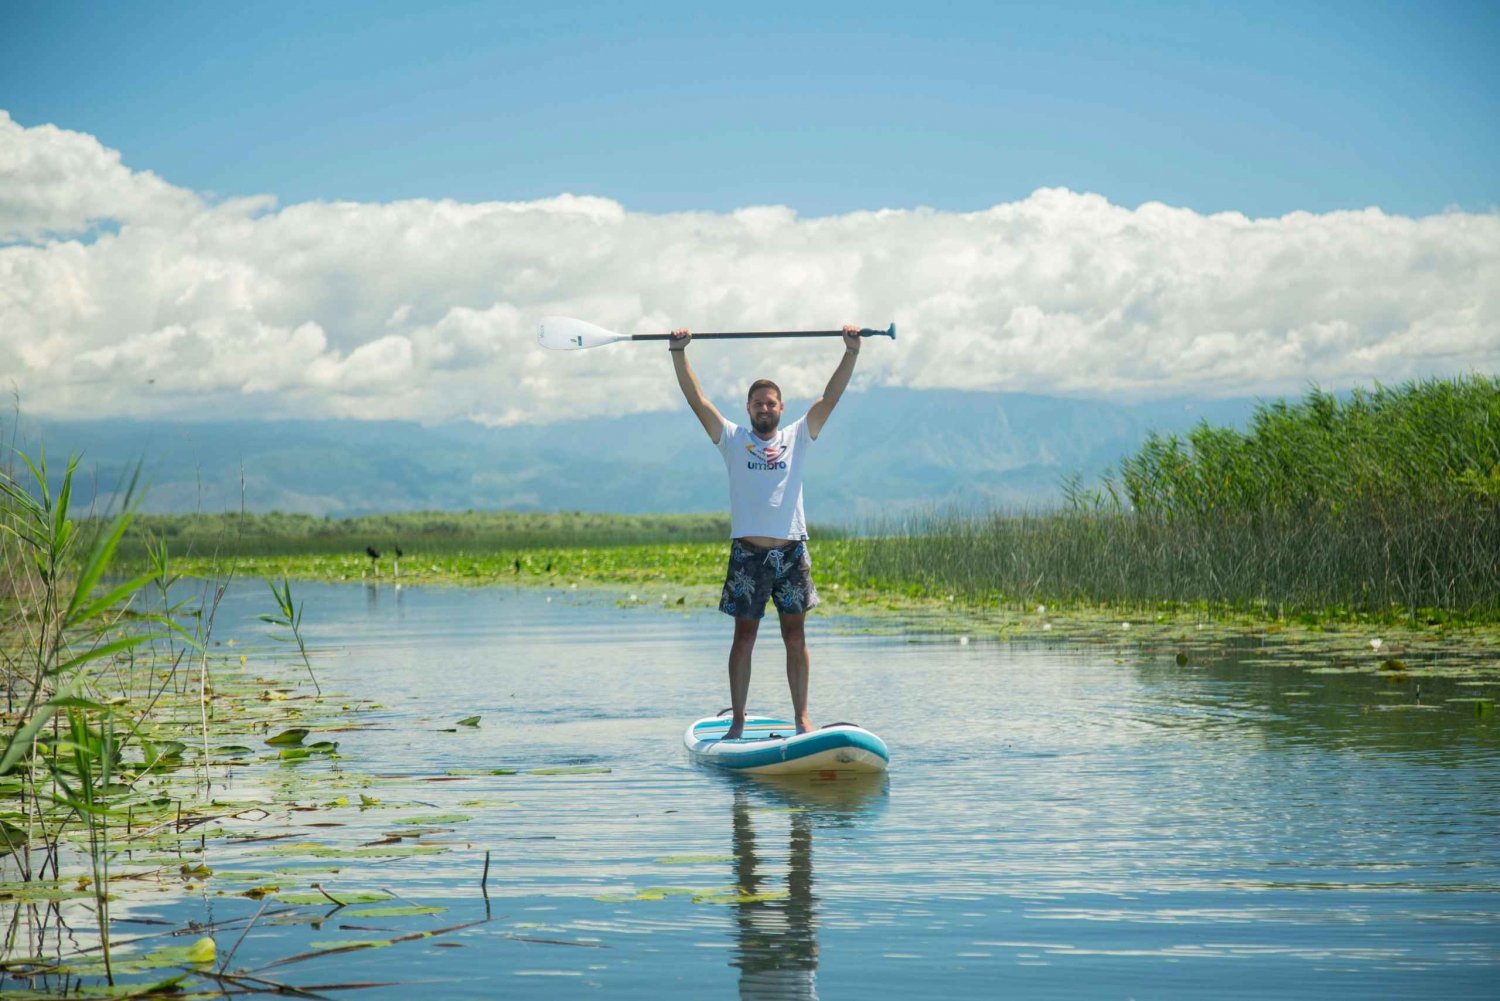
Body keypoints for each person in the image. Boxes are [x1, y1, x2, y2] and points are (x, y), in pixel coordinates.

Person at [669, 324, 864, 738]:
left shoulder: (798, 436)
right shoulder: (732, 439)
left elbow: (830, 398)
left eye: (771, 403)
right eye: (758, 403)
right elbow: (697, 400)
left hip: (791, 553)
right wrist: (678, 352)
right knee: (744, 637)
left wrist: (850, 352)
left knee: (796, 637)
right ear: (748, 407)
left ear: (780, 407)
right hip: (749, 555)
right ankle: (737, 722)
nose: (764, 409)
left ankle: (802, 720)